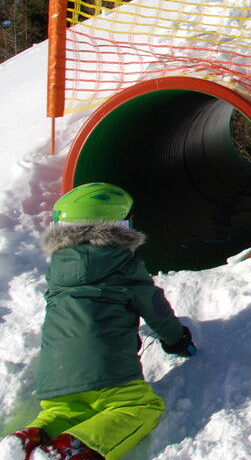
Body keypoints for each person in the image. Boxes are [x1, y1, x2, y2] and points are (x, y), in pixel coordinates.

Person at [1, 184, 196, 460]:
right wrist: (177, 340)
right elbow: (155, 308)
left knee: (63, 412)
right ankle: (65, 452)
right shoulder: (123, 264)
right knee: (139, 408)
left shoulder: (58, 268)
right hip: (106, 372)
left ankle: (25, 441)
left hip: (54, 374)